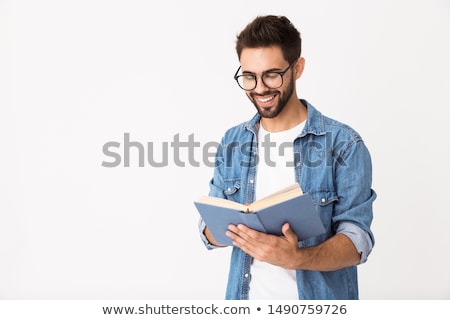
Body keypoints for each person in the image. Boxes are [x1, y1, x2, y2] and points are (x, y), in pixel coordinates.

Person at [198, 15, 376, 300]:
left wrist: (296, 257)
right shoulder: (233, 142)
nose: (259, 88)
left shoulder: (343, 144)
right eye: (249, 76)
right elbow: (209, 231)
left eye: (272, 74)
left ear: (298, 68)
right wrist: (219, 229)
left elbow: (357, 241)